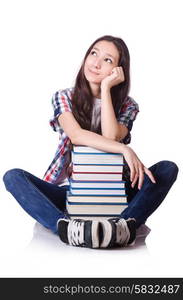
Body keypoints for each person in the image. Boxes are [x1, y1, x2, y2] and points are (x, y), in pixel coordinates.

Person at [3, 35, 178, 249]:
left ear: (118, 71)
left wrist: (105, 90)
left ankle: (123, 225)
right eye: (93, 53)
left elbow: (110, 136)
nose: (95, 63)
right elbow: (76, 135)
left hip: (117, 190)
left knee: (167, 169)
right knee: (13, 177)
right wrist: (125, 149)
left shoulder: (128, 106)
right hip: (76, 192)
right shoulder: (64, 97)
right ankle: (68, 228)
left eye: (107, 60)